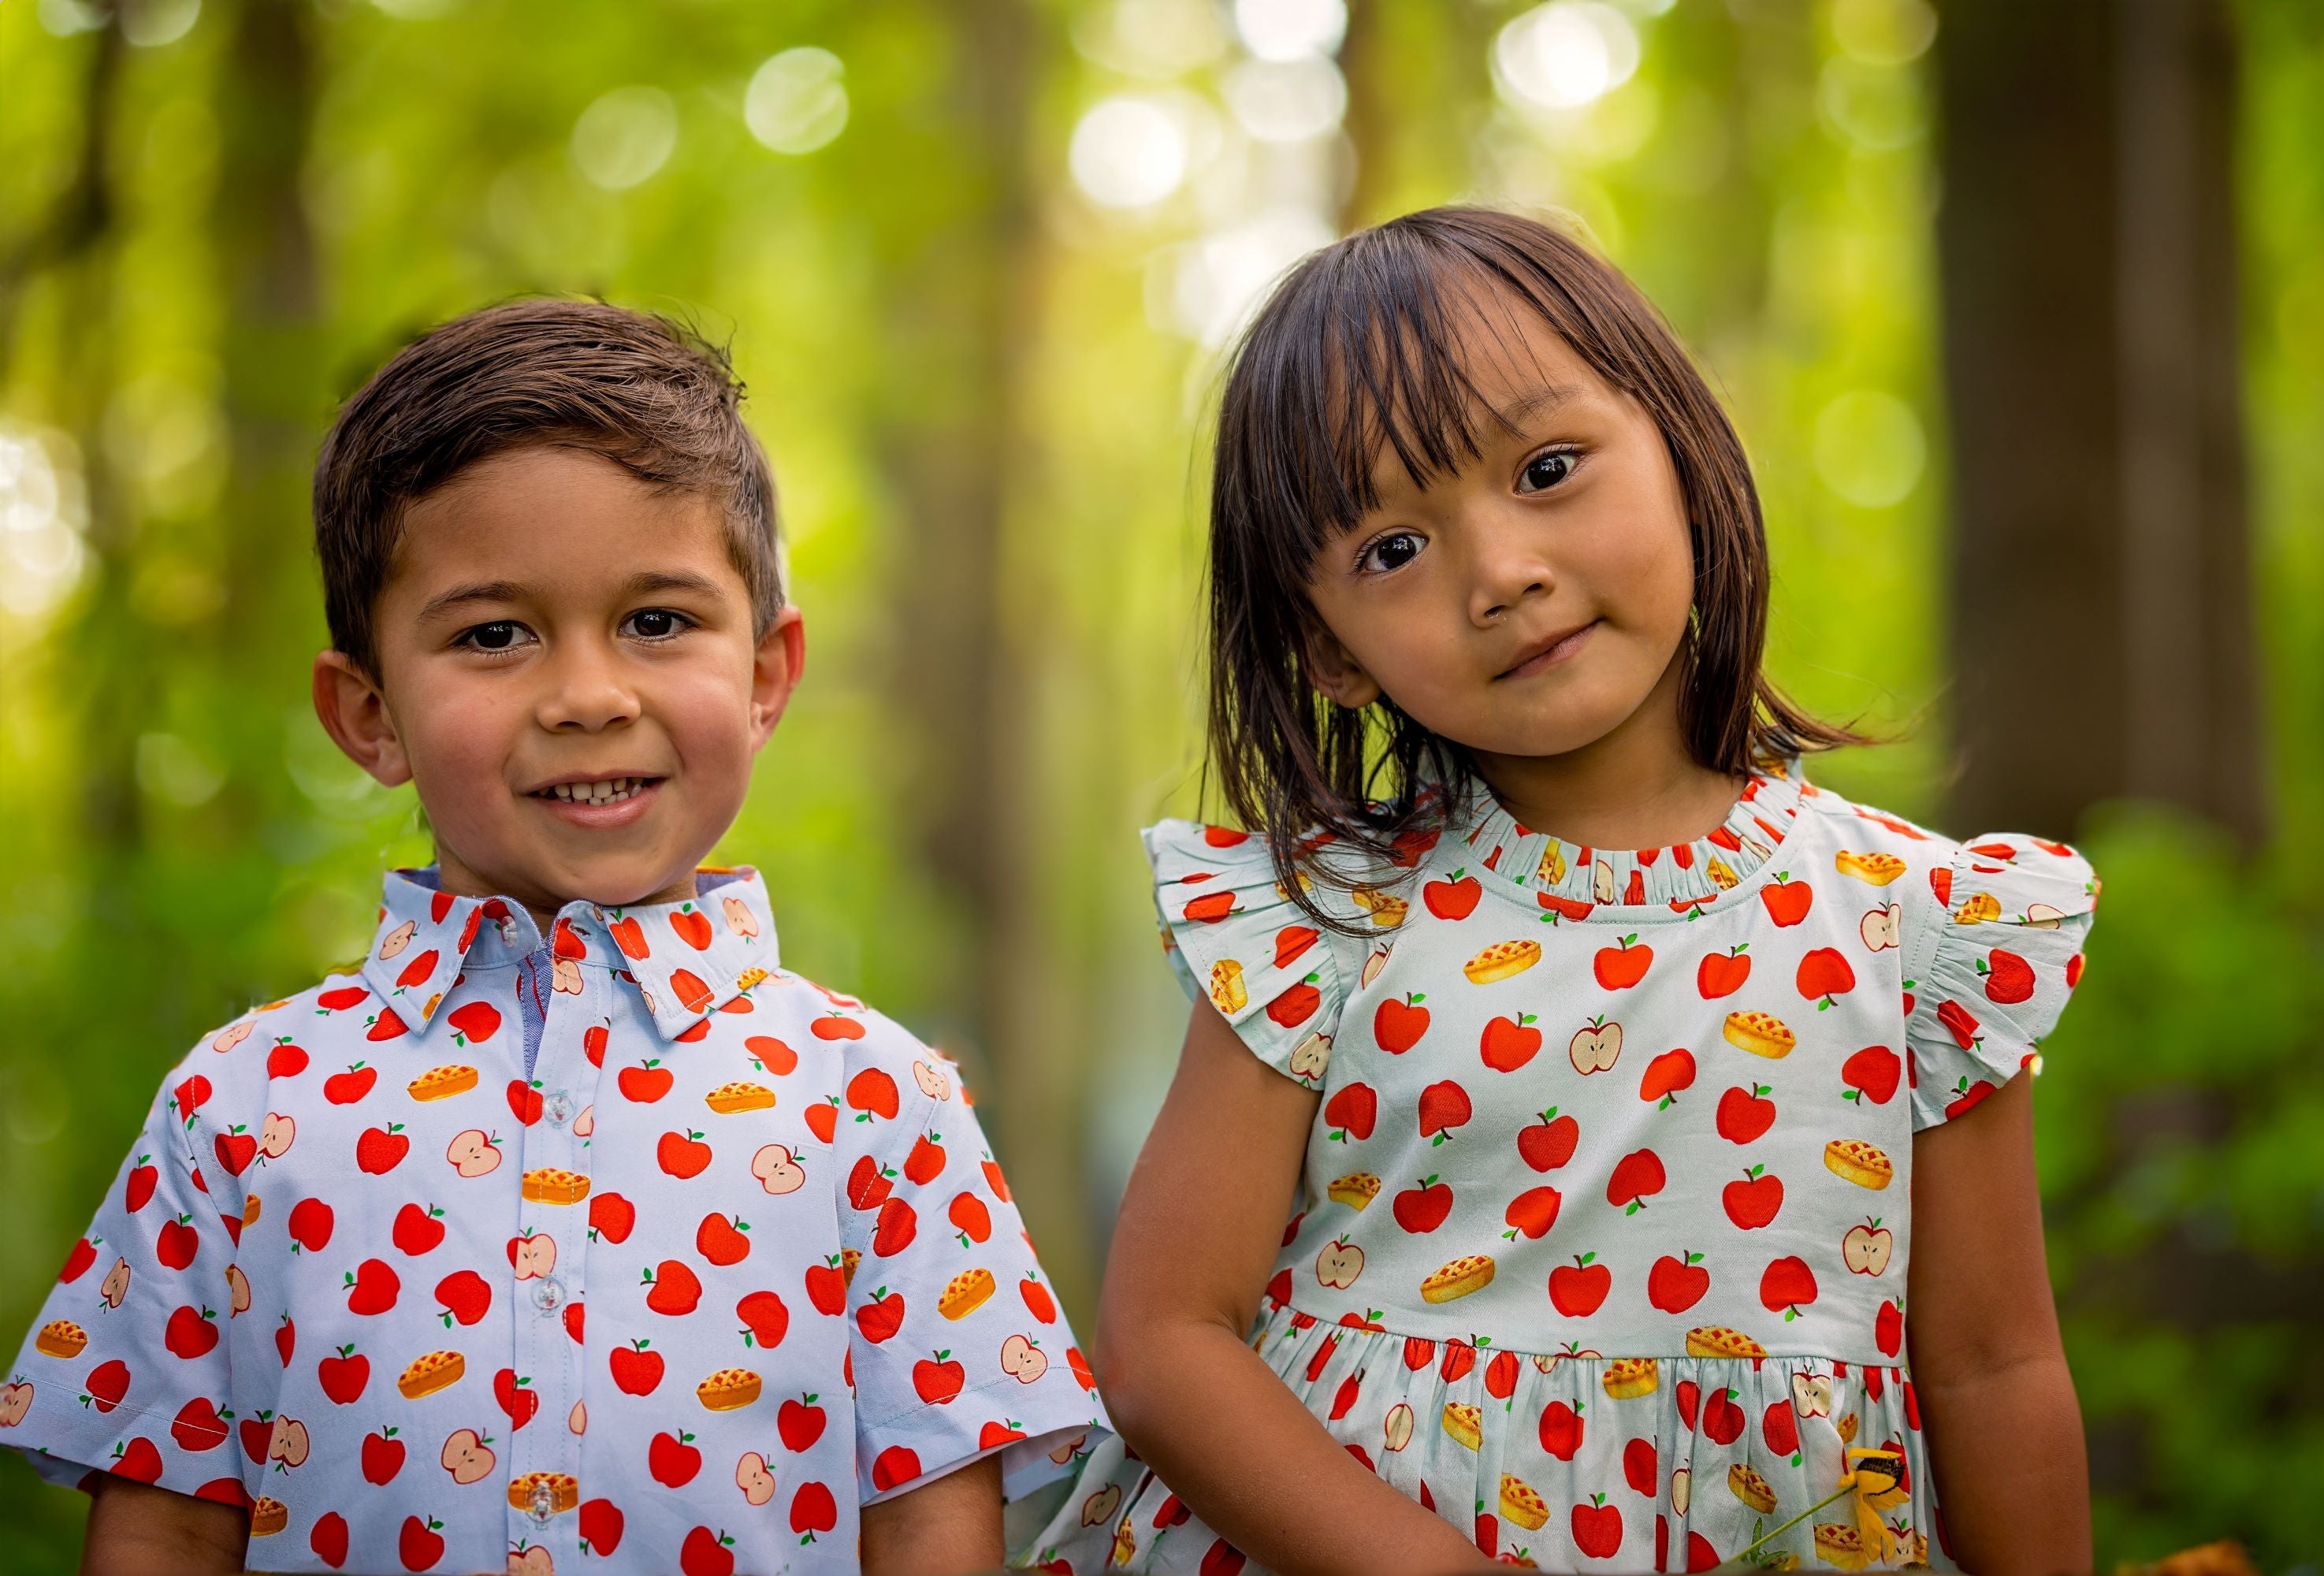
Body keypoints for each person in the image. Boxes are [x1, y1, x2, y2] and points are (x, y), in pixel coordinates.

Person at [1021, 209, 2095, 1576]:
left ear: (1684, 454)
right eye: (1392, 552)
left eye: (1547, 468)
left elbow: (1996, 1366)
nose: (1501, 574)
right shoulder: (1322, 923)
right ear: (1331, 653)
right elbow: (1166, 1343)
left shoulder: (1918, 929)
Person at [1, 301, 1103, 1575]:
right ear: (369, 715)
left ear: (765, 675)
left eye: (656, 621)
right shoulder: (239, 1111)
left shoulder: (879, 1105)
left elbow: (930, 1524)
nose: (588, 697)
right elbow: (167, 1520)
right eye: (493, 635)